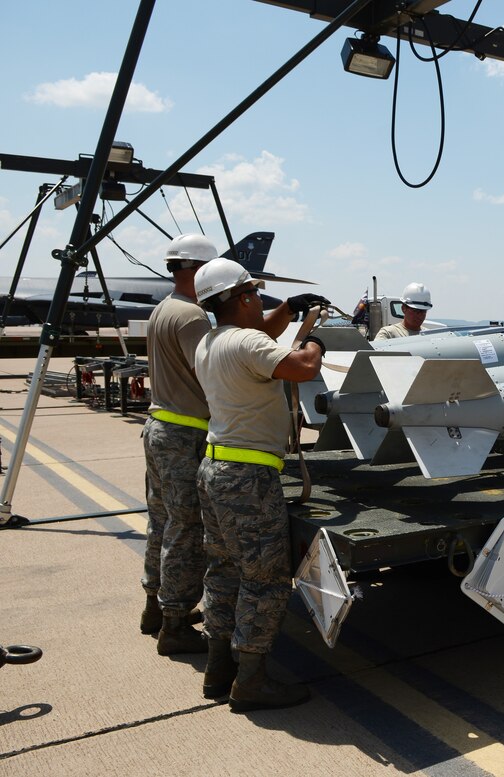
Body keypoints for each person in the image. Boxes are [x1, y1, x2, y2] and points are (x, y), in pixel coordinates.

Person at [193, 257, 328, 710]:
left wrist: (289, 308)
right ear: (245, 298)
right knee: (266, 580)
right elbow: (302, 367)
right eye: (254, 293)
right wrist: (313, 338)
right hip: (248, 478)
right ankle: (251, 682)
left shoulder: (213, 342)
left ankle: (219, 670)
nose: (259, 299)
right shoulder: (248, 342)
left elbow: (259, 342)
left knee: (225, 569)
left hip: (215, 470)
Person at [140, 234, 217, 656]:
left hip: (159, 427)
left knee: (162, 521)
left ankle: (154, 605)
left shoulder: (163, 309)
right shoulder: (192, 318)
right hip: (186, 434)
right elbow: (211, 374)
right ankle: (175, 624)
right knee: (186, 530)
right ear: (202, 270)